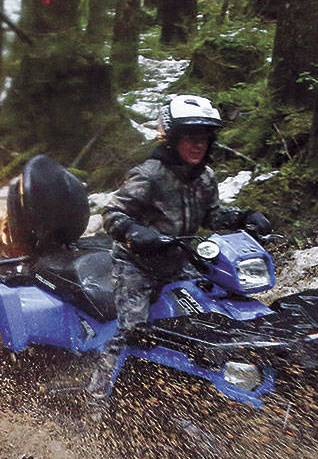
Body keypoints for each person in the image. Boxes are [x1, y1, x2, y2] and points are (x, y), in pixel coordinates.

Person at [86, 93, 271, 406]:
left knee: (214, 311)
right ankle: (97, 395)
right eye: (190, 138)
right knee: (134, 330)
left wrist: (243, 216)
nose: (197, 145)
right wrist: (134, 233)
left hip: (179, 260)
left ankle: (215, 380)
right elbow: (113, 213)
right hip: (137, 265)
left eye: (204, 138)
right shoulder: (149, 175)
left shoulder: (205, 178)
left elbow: (211, 214)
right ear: (172, 139)